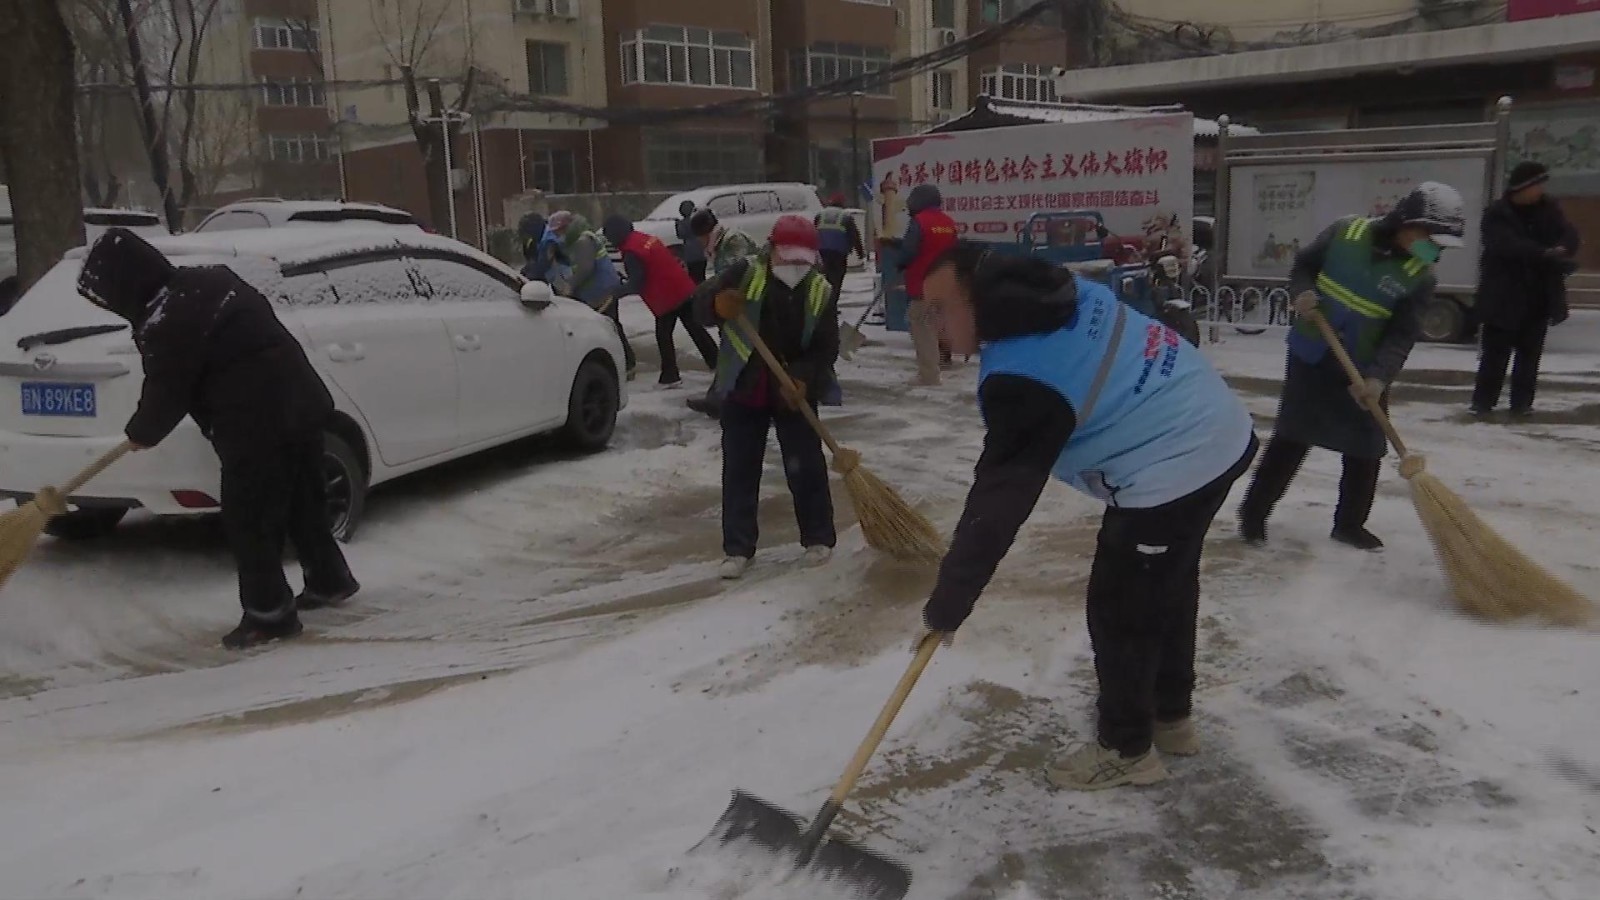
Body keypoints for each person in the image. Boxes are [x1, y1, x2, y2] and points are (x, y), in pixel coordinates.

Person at [914, 244, 1257, 791]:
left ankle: (1126, 748)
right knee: (1166, 584)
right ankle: (1170, 716)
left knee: (1121, 607)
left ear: (979, 300)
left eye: (940, 309)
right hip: (1221, 431)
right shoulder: (1062, 296)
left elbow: (999, 504)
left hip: (1177, 461)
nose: (933, 324)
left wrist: (948, 604)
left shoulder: (1023, 377)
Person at [76, 228, 358, 650]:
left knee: (250, 519)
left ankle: (269, 615)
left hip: (257, 424)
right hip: (302, 403)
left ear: (123, 284)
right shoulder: (208, 278)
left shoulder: (167, 319)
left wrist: (142, 432)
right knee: (304, 501)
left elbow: (167, 390)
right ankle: (329, 579)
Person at [1238, 181, 1464, 552]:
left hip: (1364, 365)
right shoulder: (1346, 232)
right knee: (1293, 435)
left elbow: (1401, 335)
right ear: (1408, 222)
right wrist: (1301, 292)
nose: (1434, 250)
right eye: (1431, 239)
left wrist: (1378, 378)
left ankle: (1349, 525)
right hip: (1313, 351)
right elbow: (1304, 265)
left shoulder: (1420, 275)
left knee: (1366, 447)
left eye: (1440, 245)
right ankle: (1253, 516)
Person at [692, 215, 840, 580]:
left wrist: (803, 378)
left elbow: (826, 347)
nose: (795, 267)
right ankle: (738, 548)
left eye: (803, 260)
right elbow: (700, 304)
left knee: (806, 465)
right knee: (740, 470)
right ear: (771, 250)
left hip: (791, 390)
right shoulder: (744, 272)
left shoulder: (819, 289)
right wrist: (716, 305)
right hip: (746, 385)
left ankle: (818, 537)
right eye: (788, 258)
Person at [1471, 162, 1581, 417]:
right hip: (1503, 297)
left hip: (1538, 297)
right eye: (1537, 185)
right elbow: (1505, 245)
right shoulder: (1498, 213)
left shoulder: (1549, 209)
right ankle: (1483, 404)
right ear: (1522, 187)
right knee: (1495, 356)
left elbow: (1569, 234)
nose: (1541, 190)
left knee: (1529, 357)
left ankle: (1522, 405)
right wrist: (1544, 253)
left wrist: (1563, 248)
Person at [603, 214, 719, 388]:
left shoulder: (631, 252)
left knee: (664, 335)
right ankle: (717, 363)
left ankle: (670, 377)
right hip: (680, 286)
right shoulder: (643, 238)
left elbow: (637, 283)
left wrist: (615, 293)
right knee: (694, 328)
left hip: (667, 295)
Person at [685, 207, 762, 420]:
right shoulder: (721, 243)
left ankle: (723, 401)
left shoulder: (734, 241)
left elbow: (737, 272)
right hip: (734, 306)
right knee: (732, 354)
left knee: (741, 354)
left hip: (749, 305)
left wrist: (707, 289)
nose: (698, 242)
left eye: (699, 237)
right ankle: (719, 400)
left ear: (706, 233)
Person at [549, 211, 636, 380]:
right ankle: (627, 363)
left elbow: (585, 269)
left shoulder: (583, 241)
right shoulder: (576, 240)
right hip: (599, 290)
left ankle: (627, 364)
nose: (557, 236)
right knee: (612, 326)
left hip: (602, 291)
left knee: (610, 328)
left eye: (558, 232)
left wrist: (570, 287)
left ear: (566, 228)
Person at [898, 183, 958, 385]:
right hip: (943, 283)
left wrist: (900, 263)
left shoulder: (920, 222)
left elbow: (909, 251)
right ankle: (941, 361)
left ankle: (929, 374)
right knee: (936, 324)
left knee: (921, 327)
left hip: (922, 284)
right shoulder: (948, 223)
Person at [815, 193, 867, 308]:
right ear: (842, 204)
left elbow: (813, 232)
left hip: (822, 252)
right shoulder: (846, 216)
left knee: (823, 279)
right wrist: (860, 253)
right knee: (836, 280)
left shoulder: (820, 214)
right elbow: (854, 236)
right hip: (839, 253)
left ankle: (822, 305)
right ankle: (832, 306)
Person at [676, 200, 708, 284]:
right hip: (701, 251)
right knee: (701, 276)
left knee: (693, 277)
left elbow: (681, 235)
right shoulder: (699, 220)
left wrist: (677, 224)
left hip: (690, 253)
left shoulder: (682, 223)